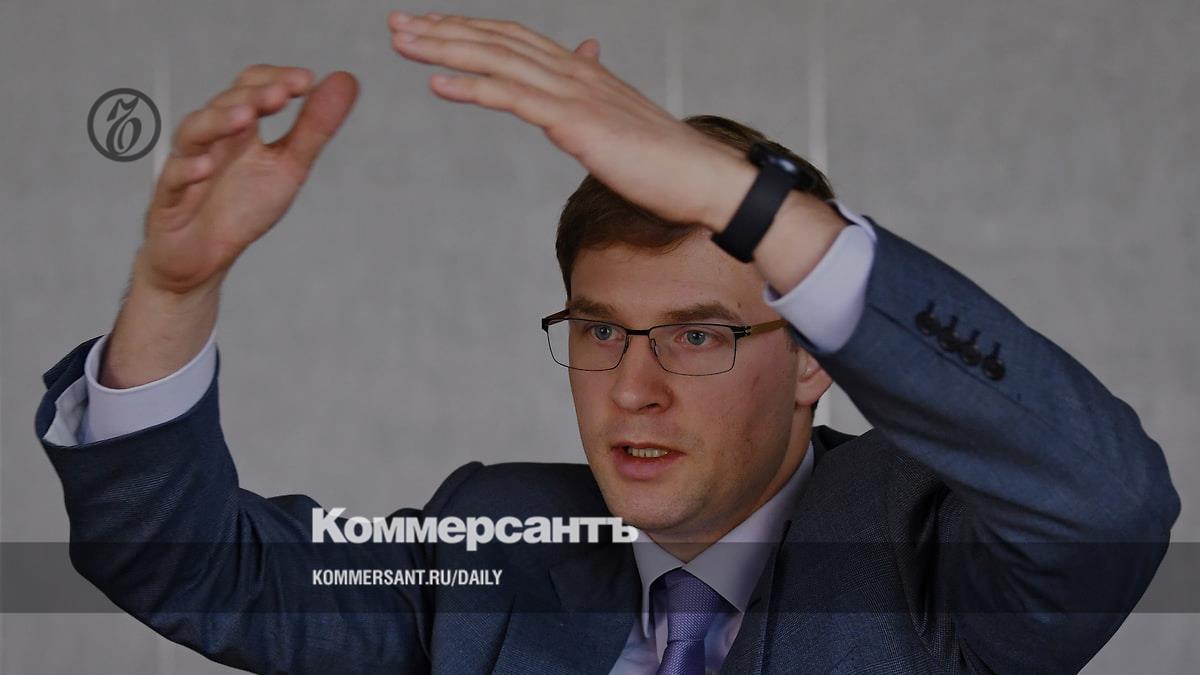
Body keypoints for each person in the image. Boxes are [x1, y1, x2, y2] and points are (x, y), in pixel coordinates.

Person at [34, 12, 1179, 675]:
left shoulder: (926, 547)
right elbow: (189, 564)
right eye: (598, 330)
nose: (633, 390)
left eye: (699, 334)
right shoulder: (493, 543)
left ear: (815, 359)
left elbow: (1108, 501)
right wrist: (174, 289)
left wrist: (753, 207)